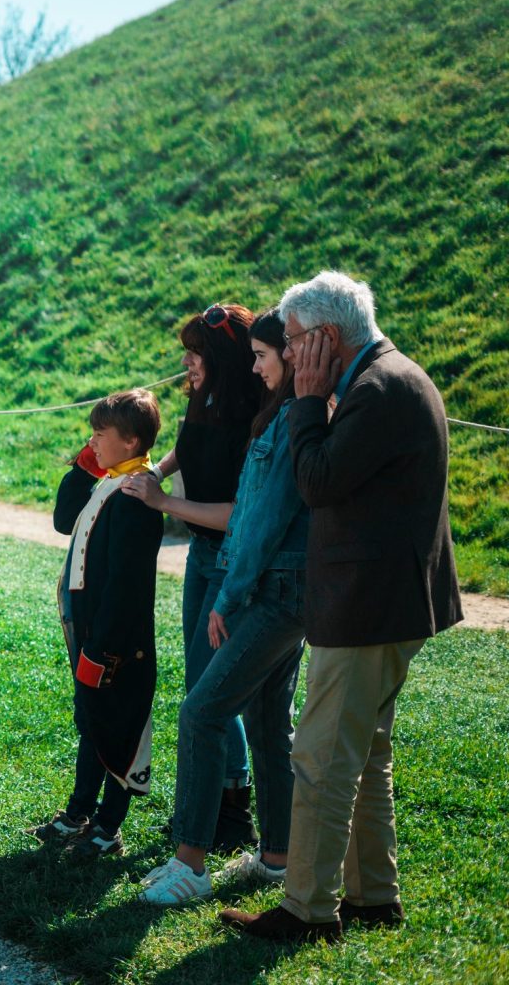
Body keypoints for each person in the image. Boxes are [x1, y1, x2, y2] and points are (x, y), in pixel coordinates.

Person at [222, 271, 463, 942]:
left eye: (296, 342)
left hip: (366, 605)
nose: (291, 355)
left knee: (323, 759)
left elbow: (318, 481)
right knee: (365, 752)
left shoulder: (377, 389)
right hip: (384, 602)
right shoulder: (386, 378)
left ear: (327, 337)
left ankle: (307, 909)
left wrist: (303, 405)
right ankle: (372, 897)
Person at [140, 310, 309, 905]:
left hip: (260, 580)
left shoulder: (278, 416)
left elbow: (252, 518)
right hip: (246, 574)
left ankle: (194, 857)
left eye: (266, 354)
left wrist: (230, 593)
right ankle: (277, 857)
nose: (185, 362)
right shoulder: (254, 405)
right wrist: (153, 475)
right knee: (261, 717)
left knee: (203, 709)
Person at [124, 302, 262, 850]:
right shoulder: (205, 397)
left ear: (223, 358)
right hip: (203, 558)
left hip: (232, 561)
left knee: (211, 691)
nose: (186, 360)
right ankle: (213, 806)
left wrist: (163, 502)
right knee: (199, 685)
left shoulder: (256, 415)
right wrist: (156, 470)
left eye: (196, 352)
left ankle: (232, 809)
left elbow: (238, 515)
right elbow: (189, 446)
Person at [33, 390, 164, 861]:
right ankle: (78, 812)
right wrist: (83, 465)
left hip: (113, 643)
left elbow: (126, 587)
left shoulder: (136, 495)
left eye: (100, 434)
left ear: (130, 441)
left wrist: (103, 650)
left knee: (117, 727)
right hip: (90, 634)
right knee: (91, 721)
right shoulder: (111, 479)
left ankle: (108, 827)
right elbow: (64, 520)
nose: (92, 440)